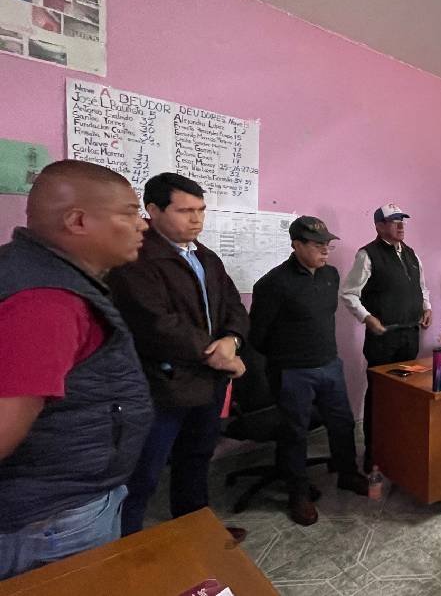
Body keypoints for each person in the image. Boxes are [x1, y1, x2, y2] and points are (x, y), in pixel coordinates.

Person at [0, 161, 152, 579]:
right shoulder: (46, 301)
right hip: (51, 517)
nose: (142, 224)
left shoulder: (36, 274)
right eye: (129, 212)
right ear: (78, 220)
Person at [108, 173, 248, 537]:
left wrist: (232, 339)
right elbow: (155, 324)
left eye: (201, 210)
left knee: (197, 458)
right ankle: (129, 551)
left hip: (206, 383)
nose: (197, 219)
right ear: (152, 210)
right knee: (144, 472)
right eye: (186, 211)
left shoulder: (206, 257)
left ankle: (195, 530)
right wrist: (215, 354)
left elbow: (233, 305)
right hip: (161, 386)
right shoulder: (135, 258)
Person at [248, 216, 366, 527]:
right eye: (317, 245)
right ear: (296, 245)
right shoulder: (273, 284)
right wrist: (286, 356)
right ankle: (297, 493)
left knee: (342, 423)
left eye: (328, 244)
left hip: (329, 364)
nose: (326, 250)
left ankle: (347, 474)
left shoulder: (331, 275)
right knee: (294, 433)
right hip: (292, 371)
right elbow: (257, 337)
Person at [339, 202, 432, 473]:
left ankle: (399, 447)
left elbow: (422, 287)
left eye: (402, 220)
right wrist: (367, 317)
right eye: (394, 221)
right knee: (380, 397)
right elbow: (349, 293)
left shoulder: (412, 254)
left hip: (409, 336)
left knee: (405, 395)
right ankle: (374, 453)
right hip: (383, 339)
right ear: (379, 226)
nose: (401, 225)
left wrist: (427, 307)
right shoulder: (367, 255)